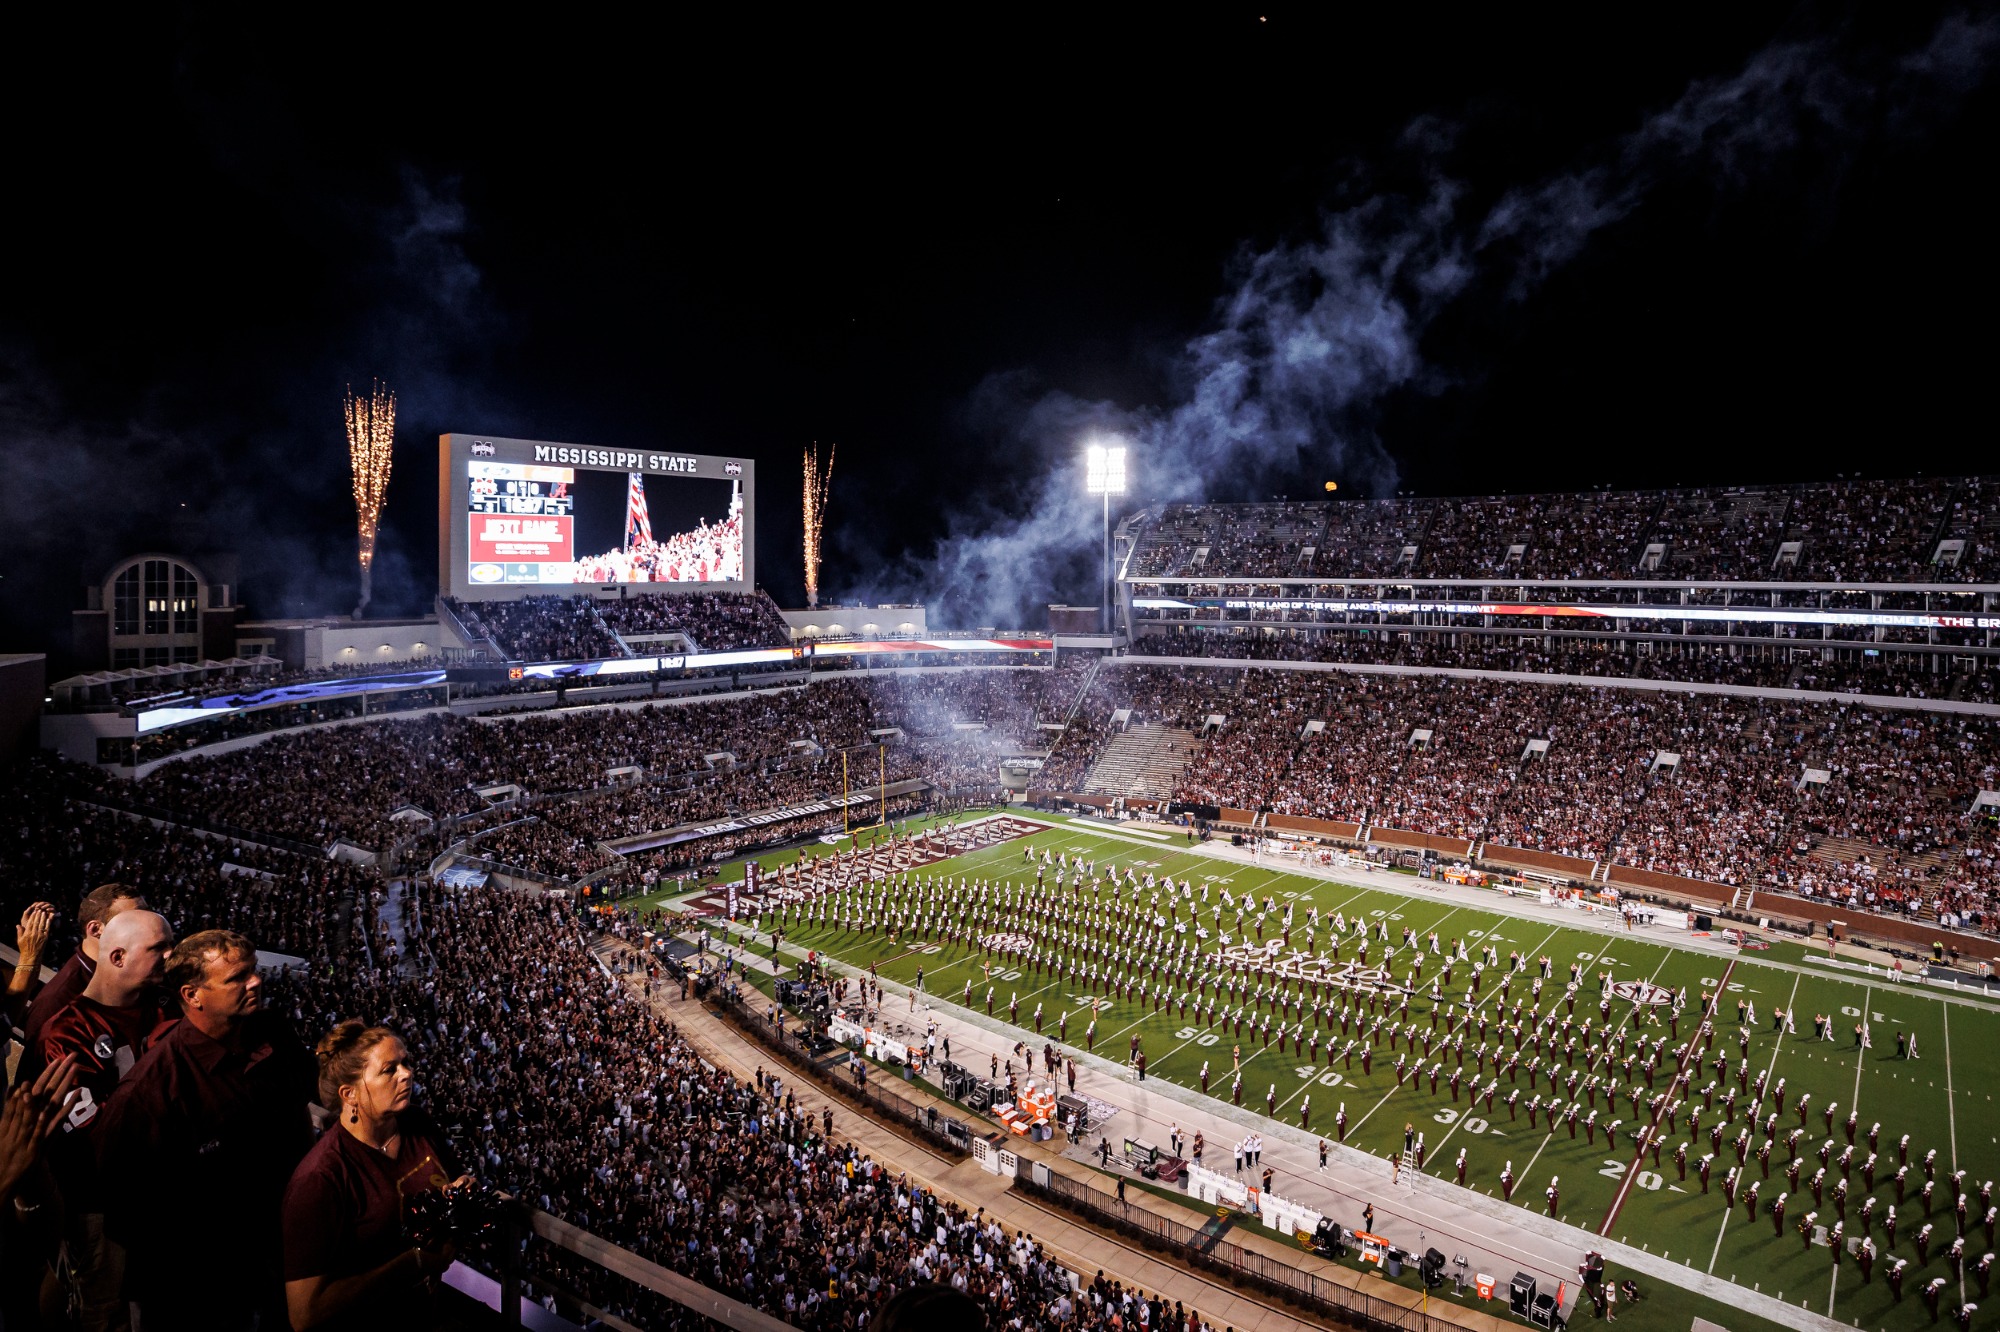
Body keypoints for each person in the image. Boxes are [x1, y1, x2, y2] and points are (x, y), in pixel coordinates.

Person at [98, 929, 319, 1331]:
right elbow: (125, 1212)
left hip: (285, 1259)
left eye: (252, 971)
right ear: (192, 995)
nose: (255, 982)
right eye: (237, 978)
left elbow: (301, 1107)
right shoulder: (149, 1094)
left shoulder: (274, 1031)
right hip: (199, 1290)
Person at [37, 907, 176, 1332]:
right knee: (101, 1312)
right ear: (117, 957)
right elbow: (95, 1135)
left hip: (154, 1194)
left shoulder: (160, 1006)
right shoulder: (65, 1032)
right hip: (98, 1207)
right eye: (159, 950)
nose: (171, 958)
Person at [283, 1021, 468, 1332]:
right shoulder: (321, 1179)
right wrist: (412, 1263)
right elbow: (305, 1314)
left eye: (406, 1063)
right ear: (349, 1094)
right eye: (389, 1070)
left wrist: (463, 1193)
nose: (406, 1074)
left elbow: (453, 1176)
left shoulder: (417, 1123)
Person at [17, 884, 148, 1088]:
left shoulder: (138, 976)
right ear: (96, 929)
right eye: (133, 920)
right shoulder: (57, 1002)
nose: (148, 926)